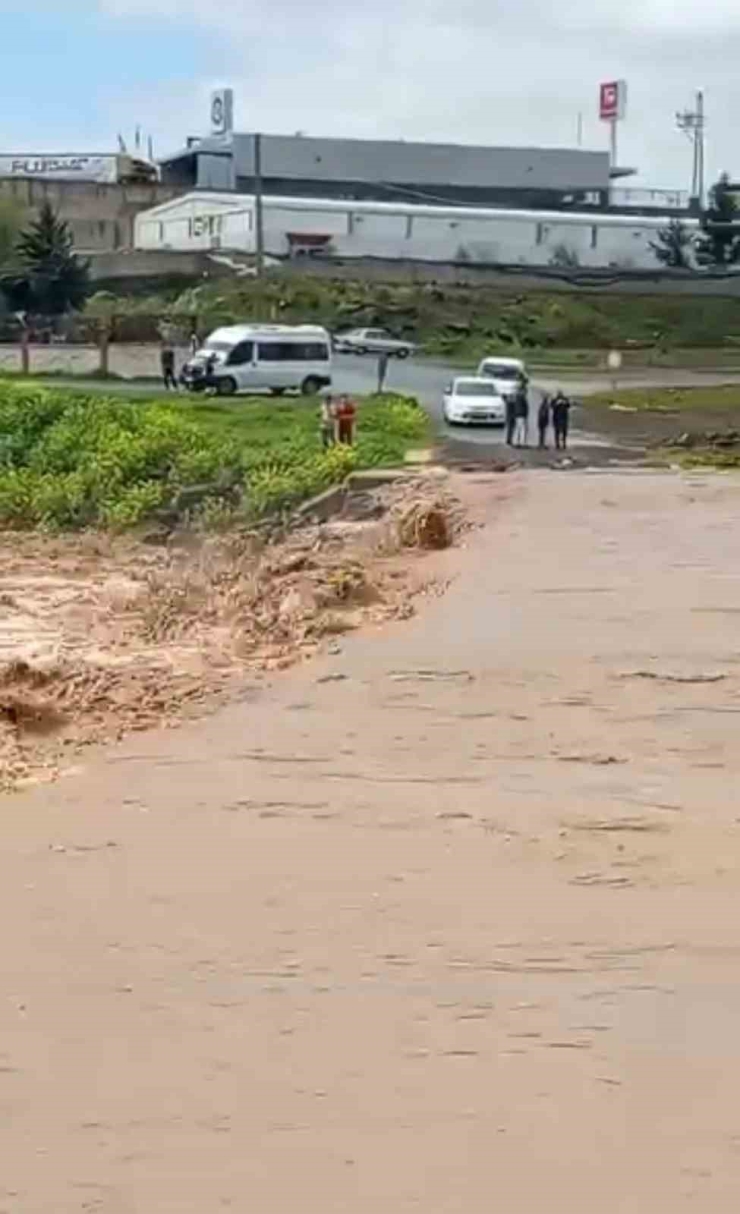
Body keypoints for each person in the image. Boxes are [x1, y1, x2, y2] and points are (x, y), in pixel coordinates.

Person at [514, 379, 529, 447]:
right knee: (523, 429)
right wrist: (525, 414)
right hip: (521, 414)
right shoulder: (522, 397)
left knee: (518, 428)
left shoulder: (517, 396)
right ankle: (522, 442)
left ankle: (517, 442)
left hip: (517, 414)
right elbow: (524, 407)